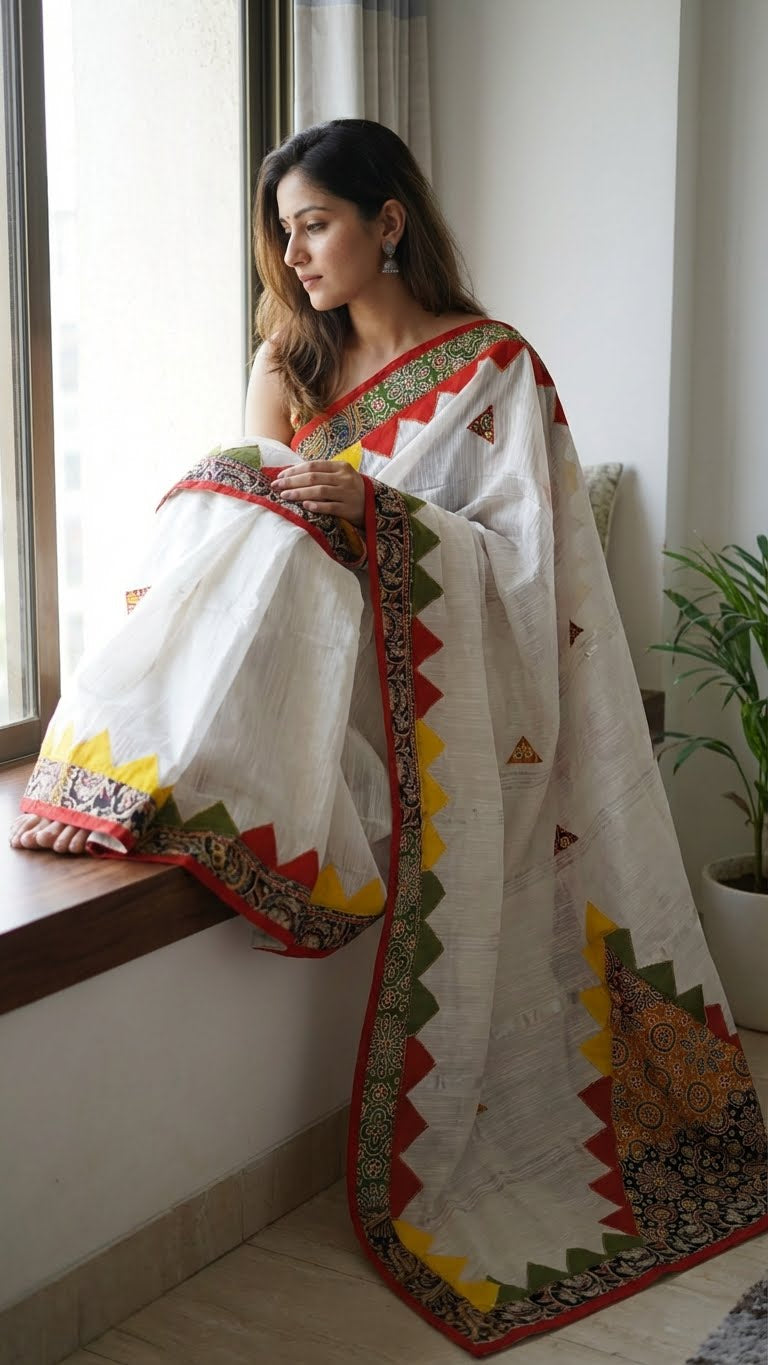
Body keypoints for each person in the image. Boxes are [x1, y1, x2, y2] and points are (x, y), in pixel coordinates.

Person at [9, 120, 767, 1356]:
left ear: (388, 220)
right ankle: (137, 761)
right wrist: (306, 494)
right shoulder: (289, 362)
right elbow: (249, 521)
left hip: (429, 681)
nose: (295, 257)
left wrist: (384, 512)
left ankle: (168, 769)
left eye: (314, 225)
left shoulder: (493, 368)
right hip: (310, 655)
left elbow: (534, 574)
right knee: (229, 492)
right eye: (283, 235)